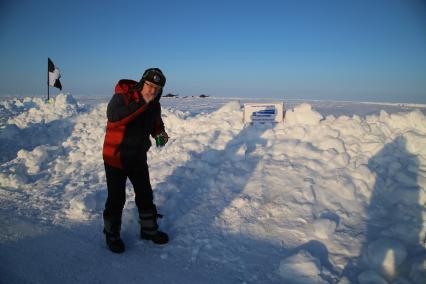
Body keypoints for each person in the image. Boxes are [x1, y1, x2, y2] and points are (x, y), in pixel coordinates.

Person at [102, 68, 169, 253]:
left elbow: (156, 123)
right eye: (149, 85)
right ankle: (112, 235)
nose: (152, 90)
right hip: (115, 157)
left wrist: (159, 133)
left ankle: (148, 230)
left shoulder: (154, 104)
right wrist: (141, 102)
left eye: (157, 87)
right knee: (117, 198)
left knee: (145, 194)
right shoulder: (122, 97)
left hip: (138, 158)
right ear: (142, 83)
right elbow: (114, 118)